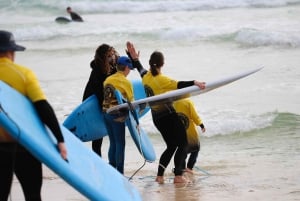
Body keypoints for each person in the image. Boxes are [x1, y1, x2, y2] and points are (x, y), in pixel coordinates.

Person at [0, 30, 68, 200]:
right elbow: (42, 107)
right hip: (23, 142)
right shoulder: (23, 74)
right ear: (10, 51)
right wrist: (60, 140)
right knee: (32, 194)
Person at [126, 42, 206, 184]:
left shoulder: (146, 77)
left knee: (171, 145)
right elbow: (179, 84)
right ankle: (178, 176)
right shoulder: (161, 79)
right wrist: (195, 82)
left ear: (151, 63)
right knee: (183, 143)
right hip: (169, 116)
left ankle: (160, 176)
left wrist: (134, 58)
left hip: (157, 118)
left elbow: (140, 69)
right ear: (162, 64)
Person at [82, 44, 118, 157]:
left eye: (113, 53)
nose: (112, 56)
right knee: (97, 138)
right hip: (93, 105)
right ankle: (98, 162)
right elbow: (97, 92)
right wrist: (105, 109)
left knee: (104, 136)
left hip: (104, 103)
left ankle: (105, 163)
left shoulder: (112, 68)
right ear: (103, 57)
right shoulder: (97, 72)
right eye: (109, 55)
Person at [102, 56, 134, 174]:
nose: (129, 71)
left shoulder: (107, 80)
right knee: (120, 143)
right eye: (129, 68)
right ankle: (120, 173)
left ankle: (112, 170)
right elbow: (131, 103)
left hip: (105, 113)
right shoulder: (125, 82)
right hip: (117, 116)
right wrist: (136, 122)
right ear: (126, 67)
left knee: (113, 142)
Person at [173, 98, 206, 174]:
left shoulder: (174, 102)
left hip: (179, 131)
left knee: (182, 150)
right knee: (196, 148)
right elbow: (194, 116)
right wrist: (201, 125)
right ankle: (189, 167)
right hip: (190, 131)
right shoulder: (188, 102)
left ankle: (183, 168)